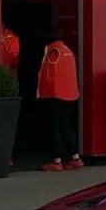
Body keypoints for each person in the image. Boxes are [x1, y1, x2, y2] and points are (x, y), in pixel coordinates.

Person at [37, 30, 83, 172]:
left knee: (55, 127)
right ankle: (75, 157)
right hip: (71, 94)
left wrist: (41, 93)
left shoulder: (53, 52)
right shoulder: (67, 50)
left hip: (56, 95)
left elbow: (47, 75)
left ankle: (56, 160)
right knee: (65, 127)